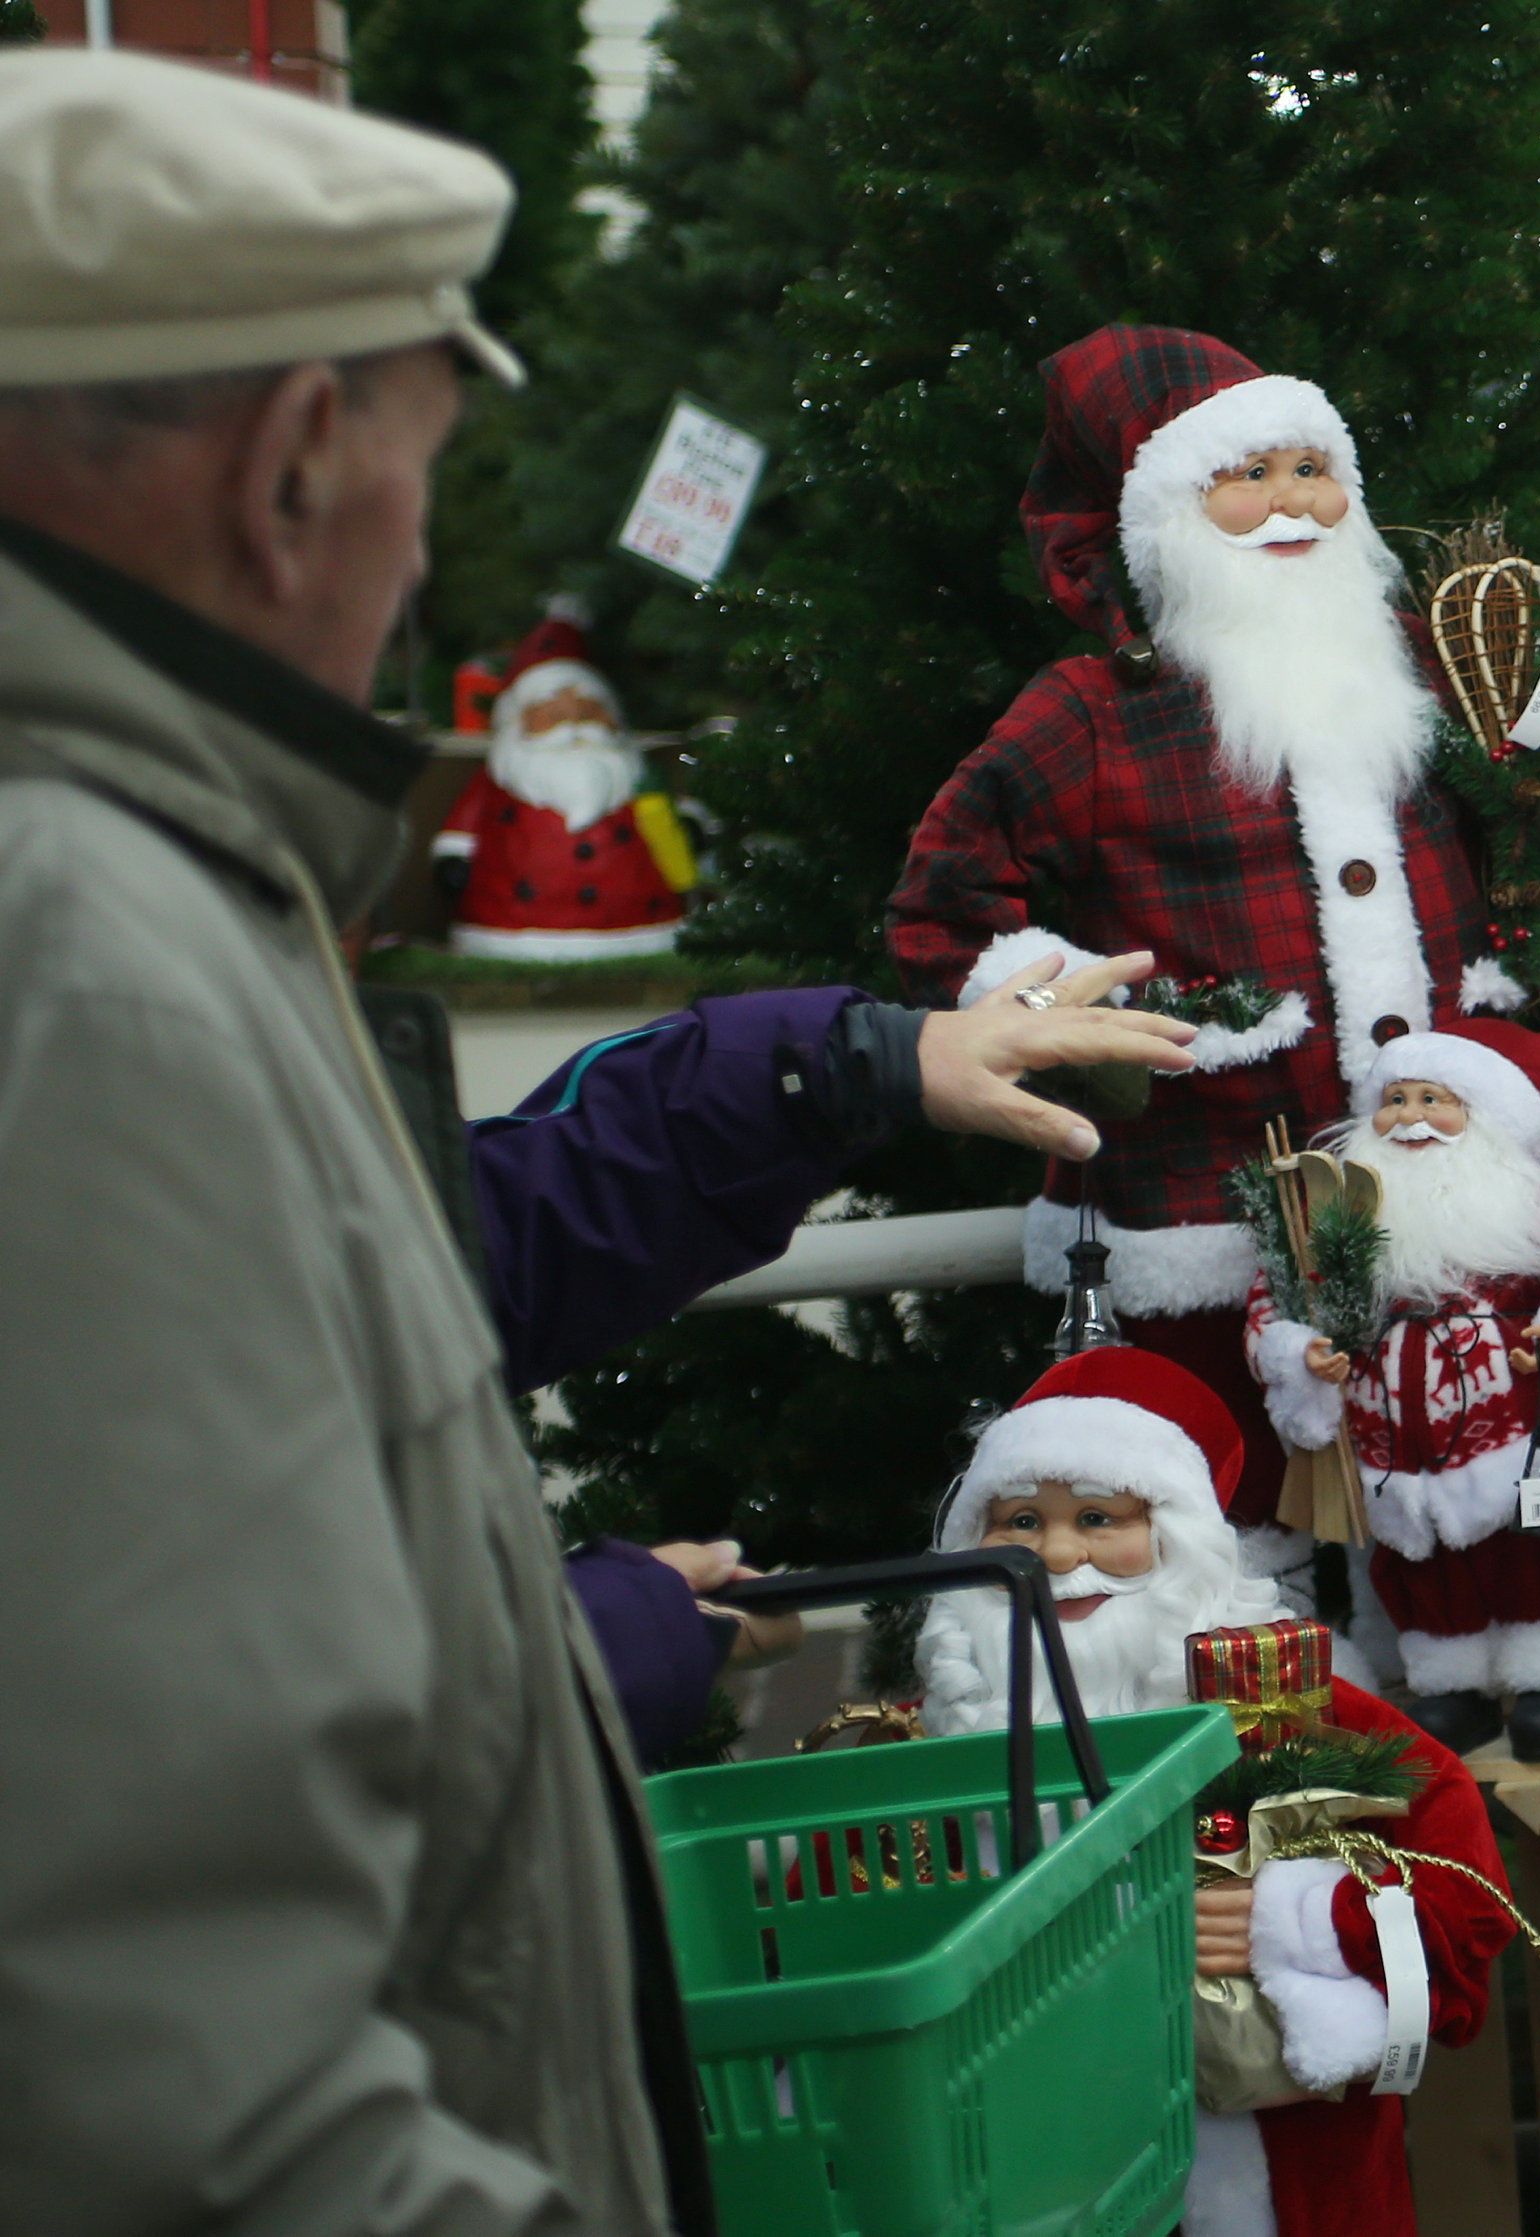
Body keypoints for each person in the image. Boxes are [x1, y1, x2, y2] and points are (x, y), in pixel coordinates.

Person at [0, 50, 1195, 2233]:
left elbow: (412, 1268)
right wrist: (570, 1651)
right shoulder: (81, 956)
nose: (425, 546)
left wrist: (842, 1067)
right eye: (423, 466)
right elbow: (166, 2018)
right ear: (290, 468)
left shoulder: (137, 881)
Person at [892, 324, 1540, 1538]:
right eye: (1246, 476)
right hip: (1214, 1185)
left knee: (1465, 1477)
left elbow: (1539, 828)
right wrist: (1066, 1017)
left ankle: (1470, 1670)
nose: (1290, 501)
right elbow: (941, 902)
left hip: (1440, 1180)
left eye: (1312, 468)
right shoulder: (1097, 712)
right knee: (1239, 1511)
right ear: (1164, 523)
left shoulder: (1421, 660)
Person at [913, 1348, 1517, 2237]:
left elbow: (1467, 1893)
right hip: (1026, 2154)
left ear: (1174, 1532)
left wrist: (1302, 1919)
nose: (1060, 1553)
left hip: (1277, 2175)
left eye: (1096, 1516)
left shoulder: (1287, 1697)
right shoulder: (941, 1721)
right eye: (1021, 1521)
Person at [1247, 1019, 1540, 1762]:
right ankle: (1452, 1683)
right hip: (1392, 1434)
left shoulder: (1538, 1194)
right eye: (1394, 1099)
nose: (1411, 1116)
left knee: (1531, 1549)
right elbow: (1276, 1299)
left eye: (1435, 1098)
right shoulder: (1337, 1207)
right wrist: (1303, 1353)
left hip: (1512, 1420)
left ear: (1486, 1118)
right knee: (1418, 1562)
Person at [432, 596, 691, 957]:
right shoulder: (504, 776)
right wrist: (453, 858)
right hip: (513, 922)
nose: (572, 728)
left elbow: (668, 819)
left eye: (587, 713)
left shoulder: (634, 774)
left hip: (639, 919)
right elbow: (463, 827)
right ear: (518, 722)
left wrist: (690, 828)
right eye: (553, 715)